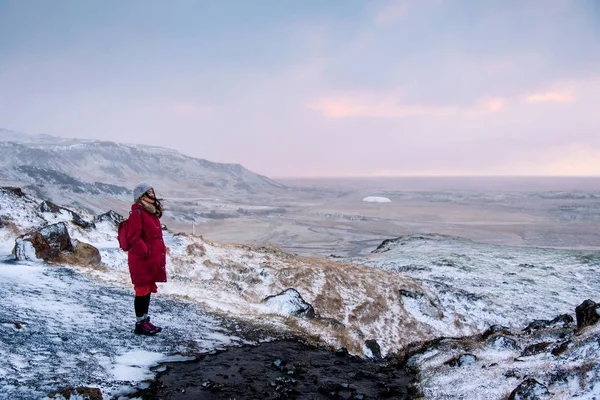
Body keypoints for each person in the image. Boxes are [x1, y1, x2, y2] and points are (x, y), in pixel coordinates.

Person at [127, 182, 167, 335]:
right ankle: (139, 324)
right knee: (141, 291)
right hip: (141, 259)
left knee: (147, 290)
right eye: (148, 192)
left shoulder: (151, 212)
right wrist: (146, 252)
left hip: (150, 259)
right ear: (141, 196)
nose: (152, 194)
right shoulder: (137, 213)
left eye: (152, 191)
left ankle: (145, 320)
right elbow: (133, 237)